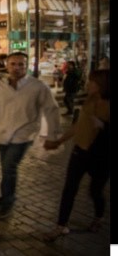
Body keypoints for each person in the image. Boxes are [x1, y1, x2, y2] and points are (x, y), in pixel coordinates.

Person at [0, 51, 61, 219]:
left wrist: (52, 136)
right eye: (13, 64)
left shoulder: (38, 87)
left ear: (26, 66)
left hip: (23, 135)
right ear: (7, 65)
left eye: (21, 64)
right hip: (3, 133)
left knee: (9, 168)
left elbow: (51, 110)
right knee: (6, 169)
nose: (17, 68)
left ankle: (8, 202)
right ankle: (5, 196)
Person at [43, 69, 110, 241]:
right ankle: (61, 225)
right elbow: (77, 125)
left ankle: (99, 217)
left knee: (95, 191)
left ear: (103, 85)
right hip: (79, 151)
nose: (88, 84)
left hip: (101, 156)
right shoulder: (88, 99)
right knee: (69, 189)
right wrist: (59, 141)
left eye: (92, 82)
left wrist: (103, 125)